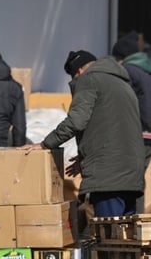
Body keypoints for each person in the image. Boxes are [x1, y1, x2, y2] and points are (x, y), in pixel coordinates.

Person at [21, 50, 145, 218]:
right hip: (132, 176)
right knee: (126, 241)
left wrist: (44, 144)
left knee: (107, 236)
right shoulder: (123, 85)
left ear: (78, 72)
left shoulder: (89, 80)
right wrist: (84, 158)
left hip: (109, 180)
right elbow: (111, 128)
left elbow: (76, 121)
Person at [112, 31, 151, 166]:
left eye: (116, 58)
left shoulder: (127, 70)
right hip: (147, 133)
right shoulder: (144, 70)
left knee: (129, 175)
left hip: (138, 132)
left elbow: (122, 102)